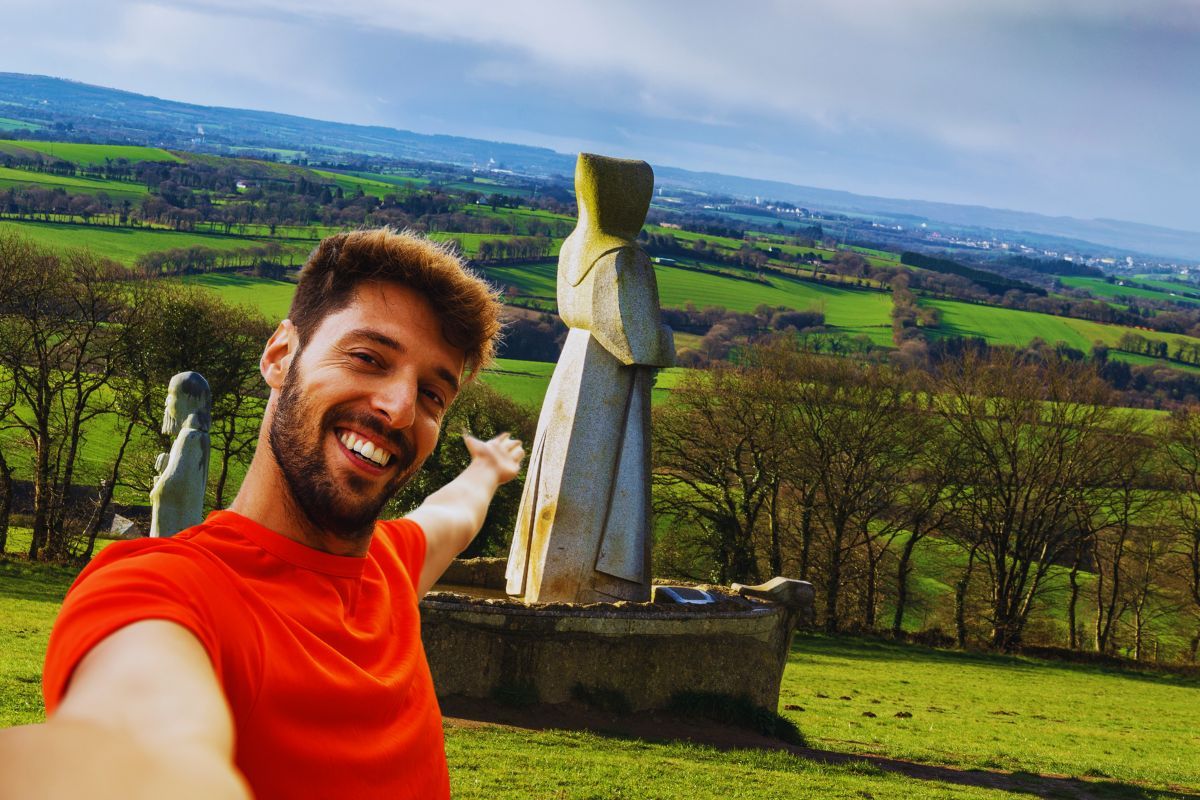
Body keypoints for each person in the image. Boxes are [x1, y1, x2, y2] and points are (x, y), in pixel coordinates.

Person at [0, 228, 524, 799]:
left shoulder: (393, 566)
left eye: (432, 395)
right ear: (280, 356)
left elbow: (452, 513)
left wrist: (488, 470)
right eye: (368, 358)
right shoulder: (170, 589)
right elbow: (136, 721)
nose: (399, 409)